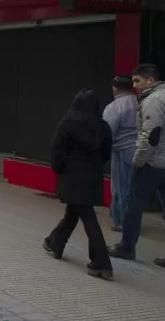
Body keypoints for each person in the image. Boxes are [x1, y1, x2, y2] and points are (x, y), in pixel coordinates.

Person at [43, 89, 114, 280]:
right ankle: (54, 243)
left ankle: (101, 263)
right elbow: (107, 154)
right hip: (93, 176)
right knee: (74, 212)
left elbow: (57, 149)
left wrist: (59, 168)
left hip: (72, 175)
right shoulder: (103, 127)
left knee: (87, 217)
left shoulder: (68, 124)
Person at [111, 64, 165, 265]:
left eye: (137, 81)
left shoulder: (153, 100)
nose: (134, 86)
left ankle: (127, 247)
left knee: (134, 206)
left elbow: (151, 135)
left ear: (150, 80)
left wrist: (138, 160)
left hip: (152, 163)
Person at [103, 75, 138, 232]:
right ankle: (130, 219)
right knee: (134, 187)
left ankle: (122, 221)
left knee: (120, 187)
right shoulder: (139, 103)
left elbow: (107, 132)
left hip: (121, 150)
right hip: (140, 149)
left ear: (115, 88)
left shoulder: (114, 107)